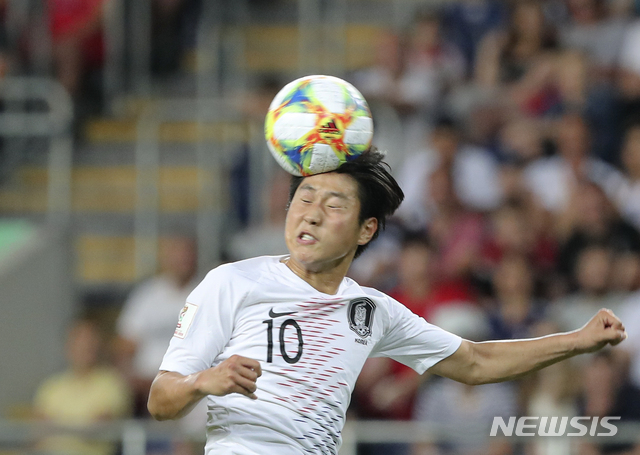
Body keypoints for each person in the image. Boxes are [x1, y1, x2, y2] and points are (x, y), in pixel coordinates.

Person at [147, 149, 627, 454]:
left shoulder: (372, 310)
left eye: (333, 205)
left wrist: (577, 341)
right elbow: (160, 401)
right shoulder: (232, 281)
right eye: (303, 198)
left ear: (366, 229)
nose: (310, 215)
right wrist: (203, 381)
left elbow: (477, 362)